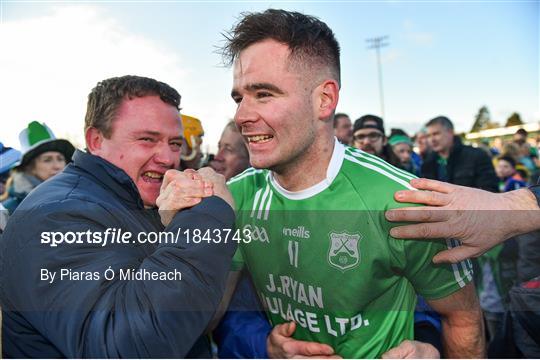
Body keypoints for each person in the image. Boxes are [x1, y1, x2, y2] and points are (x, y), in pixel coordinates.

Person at [221, 9, 483, 358]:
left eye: (264, 94)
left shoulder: (401, 200)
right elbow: (206, 319)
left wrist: (429, 350)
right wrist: (265, 346)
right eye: (239, 98)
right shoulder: (234, 197)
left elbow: (464, 319)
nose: (241, 116)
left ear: (324, 99)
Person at [0, 75, 237, 357]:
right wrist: (206, 215)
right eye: (147, 139)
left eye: (175, 143)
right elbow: (124, 346)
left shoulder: (133, 201)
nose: (167, 157)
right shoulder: (56, 215)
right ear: (96, 140)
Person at [1, 122, 75, 214]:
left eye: (60, 159)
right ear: (30, 168)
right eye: (47, 160)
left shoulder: (82, 197)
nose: (57, 166)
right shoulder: (8, 212)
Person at [422, 116, 498, 192]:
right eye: (428, 136)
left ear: (450, 132)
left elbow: (490, 191)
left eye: (436, 134)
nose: (432, 139)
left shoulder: (477, 156)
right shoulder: (427, 162)